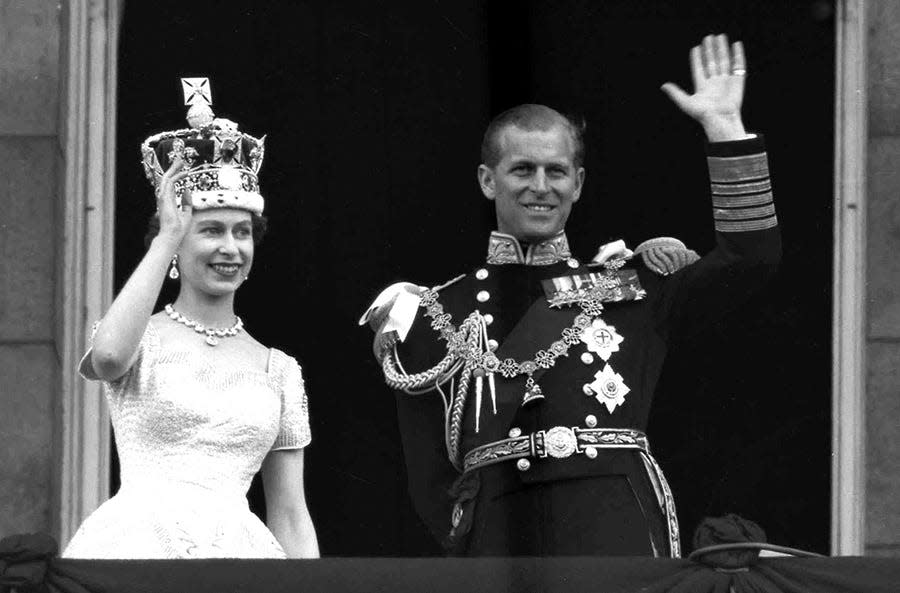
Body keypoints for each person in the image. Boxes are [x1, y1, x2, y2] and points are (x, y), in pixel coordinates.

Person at [362, 35, 780, 557]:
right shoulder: (432, 313)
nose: (541, 185)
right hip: (498, 536)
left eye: (556, 171)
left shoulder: (632, 287)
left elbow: (751, 260)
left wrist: (725, 128)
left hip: (612, 527)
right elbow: (428, 478)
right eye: (522, 170)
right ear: (488, 181)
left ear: (578, 183)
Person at [63, 80, 319, 559]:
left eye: (242, 232)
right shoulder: (139, 336)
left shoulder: (278, 370)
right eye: (211, 231)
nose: (230, 247)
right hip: (136, 550)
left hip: (240, 557)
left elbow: (289, 512)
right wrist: (167, 235)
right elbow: (109, 356)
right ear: (178, 243)